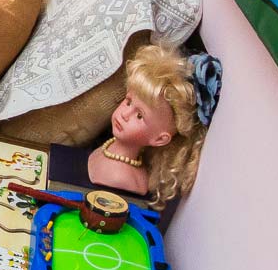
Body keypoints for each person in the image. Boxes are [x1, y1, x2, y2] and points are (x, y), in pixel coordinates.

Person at [87, 44, 222, 203]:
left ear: (159, 139)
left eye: (139, 116)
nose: (125, 114)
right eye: (128, 102)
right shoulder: (107, 150)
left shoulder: (120, 177)